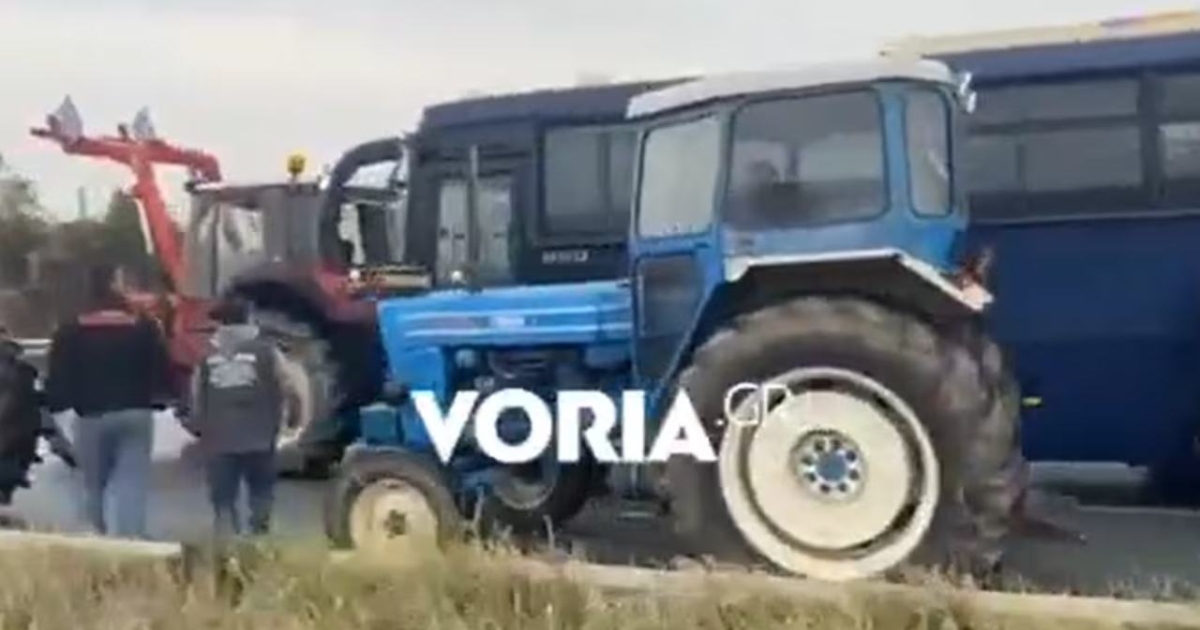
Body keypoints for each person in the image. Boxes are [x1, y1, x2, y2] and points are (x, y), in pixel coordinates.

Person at [44, 264, 173, 539]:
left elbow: (57, 377)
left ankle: (93, 536)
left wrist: (58, 407)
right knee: (132, 481)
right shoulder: (143, 327)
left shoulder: (70, 330)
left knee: (91, 483)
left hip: (90, 415)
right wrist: (160, 398)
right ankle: (131, 539)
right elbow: (162, 370)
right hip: (135, 412)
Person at [185, 297, 297, 540]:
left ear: (220, 324)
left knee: (223, 500)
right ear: (249, 320)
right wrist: (289, 423)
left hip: (219, 440)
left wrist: (201, 427)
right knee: (261, 493)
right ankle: (260, 542)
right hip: (261, 435)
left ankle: (227, 548)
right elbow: (289, 386)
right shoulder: (268, 351)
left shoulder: (206, 357)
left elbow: (196, 397)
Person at [0, 327, 75, 509]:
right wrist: (59, 444)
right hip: (16, 446)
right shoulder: (25, 372)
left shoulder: (24, 372)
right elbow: (41, 409)